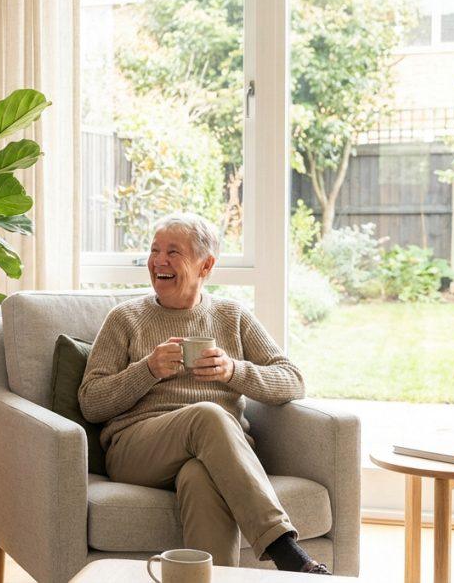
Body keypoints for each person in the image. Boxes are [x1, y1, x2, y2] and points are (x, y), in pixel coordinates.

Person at [77, 212, 331, 575]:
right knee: (208, 413)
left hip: (213, 453)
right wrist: (147, 370)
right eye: (154, 250)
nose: (159, 261)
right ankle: (283, 547)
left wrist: (233, 370)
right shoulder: (125, 319)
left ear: (206, 265)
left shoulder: (232, 316)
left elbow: (292, 379)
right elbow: (91, 401)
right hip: (137, 449)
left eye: (173, 252)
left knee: (199, 476)